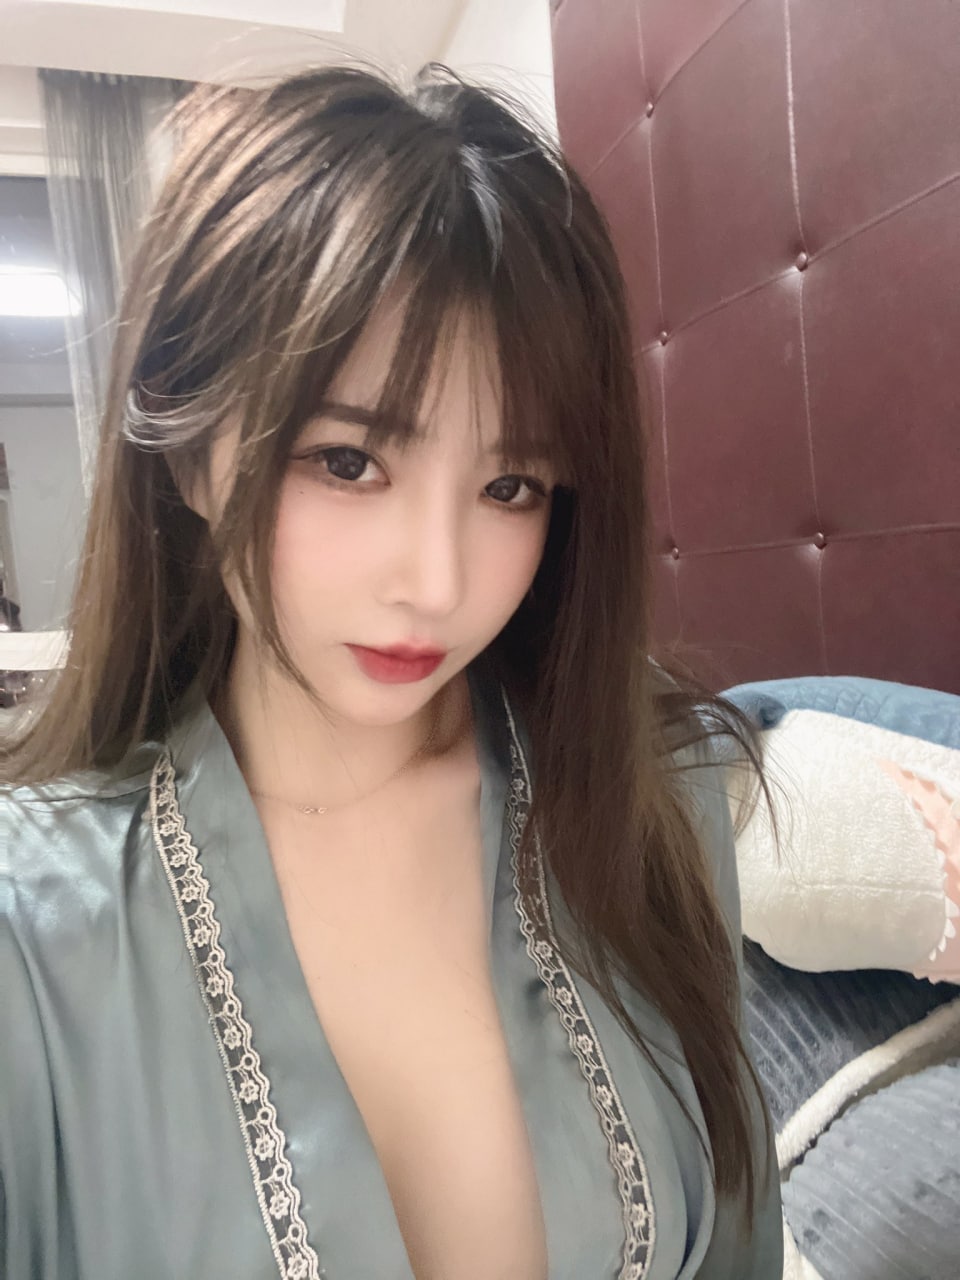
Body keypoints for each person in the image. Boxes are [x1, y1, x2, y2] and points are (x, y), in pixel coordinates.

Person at [0, 63, 784, 1280]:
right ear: (188, 448)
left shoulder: (650, 799)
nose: (436, 579)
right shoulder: (34, 936)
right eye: (349, 461)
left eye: (510, 485)